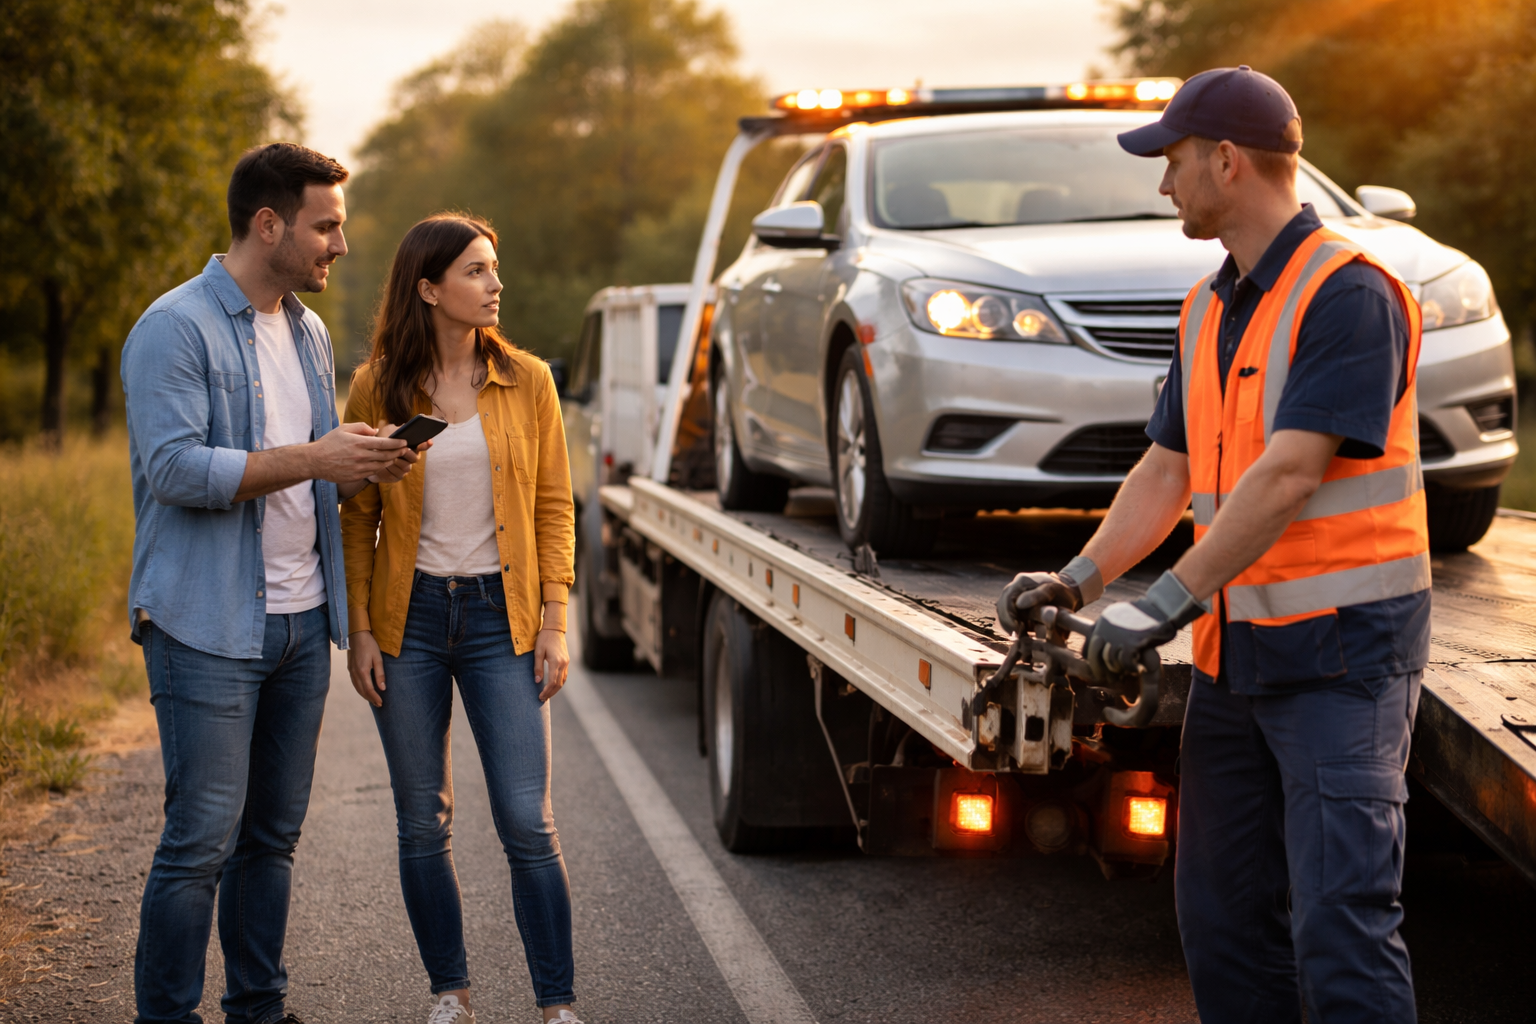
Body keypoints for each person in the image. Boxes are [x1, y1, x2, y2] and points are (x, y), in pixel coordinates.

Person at [997, 67, 1427, 1023]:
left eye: (1174, 160)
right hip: (1237, 663)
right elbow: (1166, 471)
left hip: (1344, 660)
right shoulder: (1207, 306)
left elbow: (1290, 473)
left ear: (1227, 162)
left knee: (1341, 925)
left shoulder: (1349, 295)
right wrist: (1078, 580)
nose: (1164, 184)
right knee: (1222, 921)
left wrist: (1159, 606)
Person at [122, 142, 420, 1024]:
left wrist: (362, 462)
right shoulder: (174, 327)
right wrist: (316, 457)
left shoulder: (308, 331)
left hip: (300, 622)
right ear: (268, 224)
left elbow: (310, 475)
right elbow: (175, 470)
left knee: (272, 840)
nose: (340, 244)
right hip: (206, 623)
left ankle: (257, 1007)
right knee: (199, 841)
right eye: (325, 226)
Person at [340, 214, 579, 1024]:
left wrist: (555, 622)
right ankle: (451, 994)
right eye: (476, 271)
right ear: (429, 288)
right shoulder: (377, 387)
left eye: (493, 268)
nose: (495, 284)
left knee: (527, 821)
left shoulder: (528, 380)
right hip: (405, 623)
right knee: (422, 822)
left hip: (499, 620)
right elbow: (356, 517)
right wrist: (361, 630)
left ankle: (556, 1006)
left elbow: (554, 506)